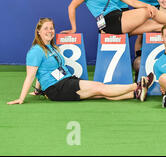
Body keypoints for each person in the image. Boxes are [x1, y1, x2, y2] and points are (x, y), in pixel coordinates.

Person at [7, 18, 155, 105]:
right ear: (38, 31)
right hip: (57, 88)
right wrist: (21, 98)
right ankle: (137, 85)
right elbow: (31, 76)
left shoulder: (51, 48)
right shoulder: (36, 51)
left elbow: (42, 72)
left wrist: (38, 90)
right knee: (99, 87)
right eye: (46, 28)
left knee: (98, 92)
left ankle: (134, 94)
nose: (50, 31)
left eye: (52, 28)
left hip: (64, 81)